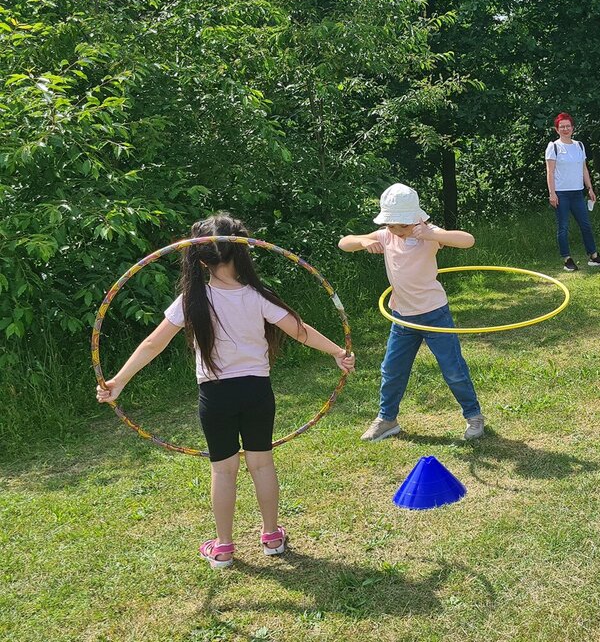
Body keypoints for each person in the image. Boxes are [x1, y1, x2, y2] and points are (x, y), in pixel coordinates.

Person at [96, 214, 355, 569]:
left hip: (216, 396)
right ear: (243, 252)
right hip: (257, 391)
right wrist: (337, 352)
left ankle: (224, 547)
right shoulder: (257, 296)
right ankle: (271, 536)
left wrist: (119, 381)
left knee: (224, 470)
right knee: (261, 463)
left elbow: (154, 342)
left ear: (199, 259)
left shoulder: (192, 299)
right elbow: (300, 330)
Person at [338, 183, 485, 443]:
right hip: (402, 317)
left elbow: (467, 240)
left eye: (401, 226)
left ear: (415, 220)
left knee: (453, 368)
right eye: (390, 225)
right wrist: (363, 241)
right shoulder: (386, 235)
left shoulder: (429, 234)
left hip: (434, 314)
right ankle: (387, 419)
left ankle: (473, 416)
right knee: (392, 369)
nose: (395, 231)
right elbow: (344, 243)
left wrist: (431, 235)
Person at [545, 112, 600, 271]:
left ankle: (594, 256)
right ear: (557, 129)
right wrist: (552, 193)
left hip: (577, 193)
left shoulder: (579, 146)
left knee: (586, 225)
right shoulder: (553, 147)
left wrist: (590, 188)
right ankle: (567, 259)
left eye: (568, 126)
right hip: (561, 194)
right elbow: (550, 172)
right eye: (562, 127)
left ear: (573, 128)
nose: (565, 129)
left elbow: (584, 169)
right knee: (563, 227)